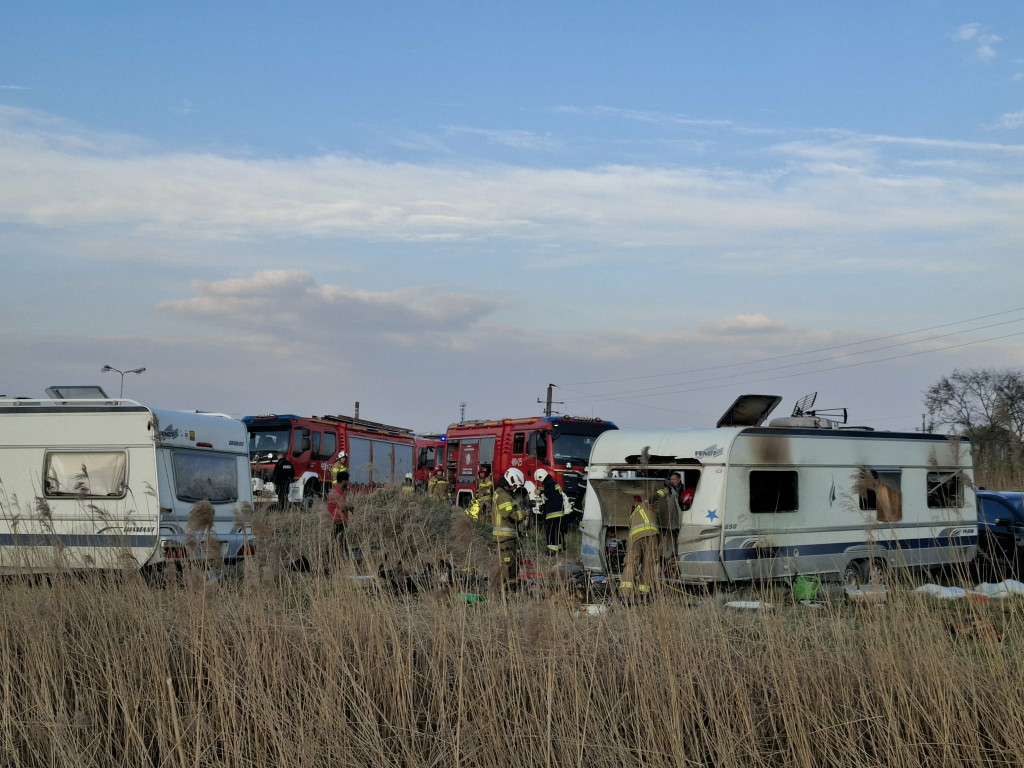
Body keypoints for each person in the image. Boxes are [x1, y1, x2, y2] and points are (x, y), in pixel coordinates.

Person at [619, 495, 659, 601]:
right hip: (650, 536)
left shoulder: (632, 516)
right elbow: (653, 498)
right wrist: (666, 490)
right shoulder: (645, 505)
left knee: (631, 564)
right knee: (648, 565)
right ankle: (643, 595)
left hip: (634, 539)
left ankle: (624, 595)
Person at [493, 468, 527, 586]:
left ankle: (510, 591)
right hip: (505, 538)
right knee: (508, 566)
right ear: (510, 482)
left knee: (512, 566)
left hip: (506, 538)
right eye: (515, 486)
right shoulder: (503, 496)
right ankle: (505, 592)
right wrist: (524, 514)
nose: (515, 489)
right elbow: (509, 515)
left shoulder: (502, 493)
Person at [534, 469, 565, 555]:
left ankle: (551, 551)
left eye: (538, 480)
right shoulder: (554, 483)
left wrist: (539, 492)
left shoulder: (548, 484)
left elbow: (547, 496)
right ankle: (558, 549)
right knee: (557, 531)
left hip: (553, 512)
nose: (539, 482)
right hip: (559, 511)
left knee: (550, 531)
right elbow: (553, 496)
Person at [327, 471, 353, 552]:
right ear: (344, 481)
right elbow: (342, 507)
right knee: (341, 546)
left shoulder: (333, 491)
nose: (348, 483)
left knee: (333, 544)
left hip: (333, 521)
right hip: (339, 522)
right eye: (347, 481)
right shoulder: (339, 492)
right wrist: (350, 507)